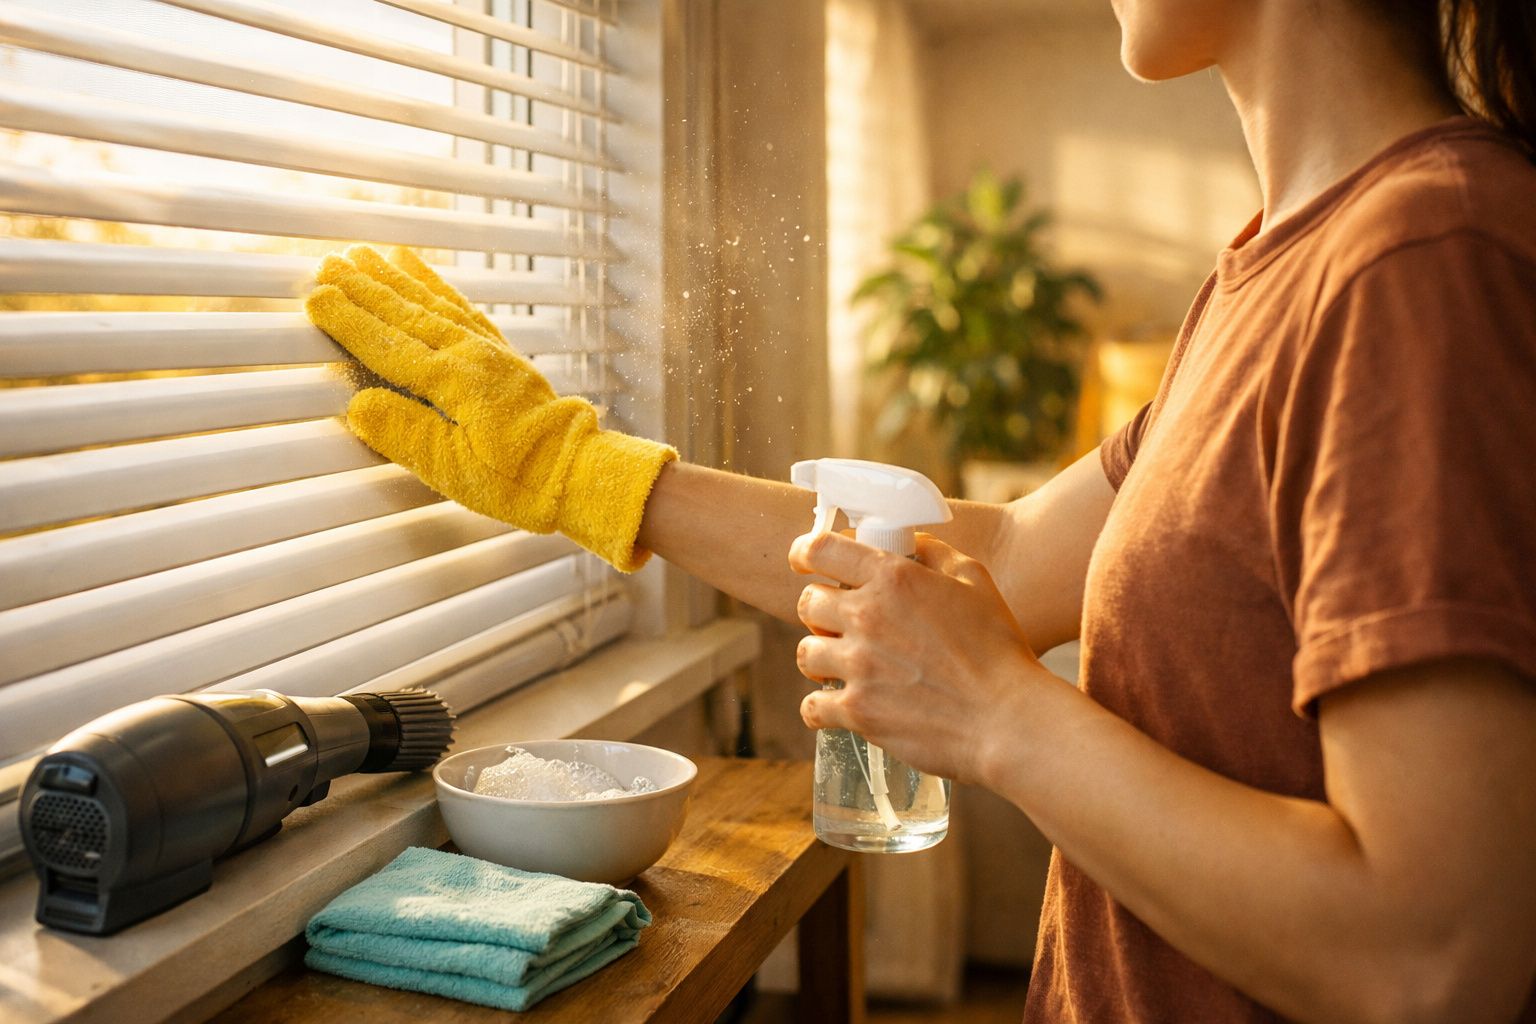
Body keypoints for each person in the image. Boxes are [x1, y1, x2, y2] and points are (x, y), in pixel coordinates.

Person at [304, 0, 1536, 1019]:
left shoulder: (1420, 255)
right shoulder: (1271, 268)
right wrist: (580, 470)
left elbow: (1432, 956)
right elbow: (993, 552)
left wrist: (999, 712)